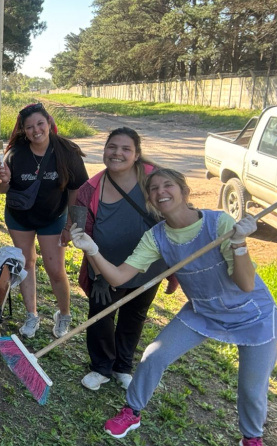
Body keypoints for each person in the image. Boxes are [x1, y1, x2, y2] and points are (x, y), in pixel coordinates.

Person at [71, 168, 277, 445]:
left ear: (184, 191)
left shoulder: (218, 223)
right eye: (153, 189)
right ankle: (132, 412)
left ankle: (251, 437)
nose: (160, 192)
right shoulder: (156, 236)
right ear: (149, 200)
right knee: (154, 355)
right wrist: (92, 249)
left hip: (253, 315)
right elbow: (119, 277)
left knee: (252, 389)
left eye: (167, 185)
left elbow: (246, 284)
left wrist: (239, 243)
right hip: (203, 312)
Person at [75, 128, 173, 391]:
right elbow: (81, 234)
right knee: (100, 315)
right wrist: (97, 274)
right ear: (104, 150)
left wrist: (174, 271)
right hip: (104, 267)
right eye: (112, 147)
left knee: (135, 315)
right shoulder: (89, 189)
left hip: (149, 268)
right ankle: (101, 367)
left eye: (126, 149)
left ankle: (122, 366)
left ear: (137, 154)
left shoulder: (155, 178)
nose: (117, 153)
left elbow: (175, 219)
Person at [0, 103, 88, 339]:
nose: (36, 130)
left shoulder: (67, 152)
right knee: (26, 264)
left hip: (53, 217)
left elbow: (78, 191)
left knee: (55, 269)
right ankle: (31, 315)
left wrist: (71, 225)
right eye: (29, 127)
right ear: (23, 131)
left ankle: (64, 315)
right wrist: (4, 180)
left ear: (48, 123)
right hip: (20, 217)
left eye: (40, 124)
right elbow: (1, 189)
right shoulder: (15, 153)